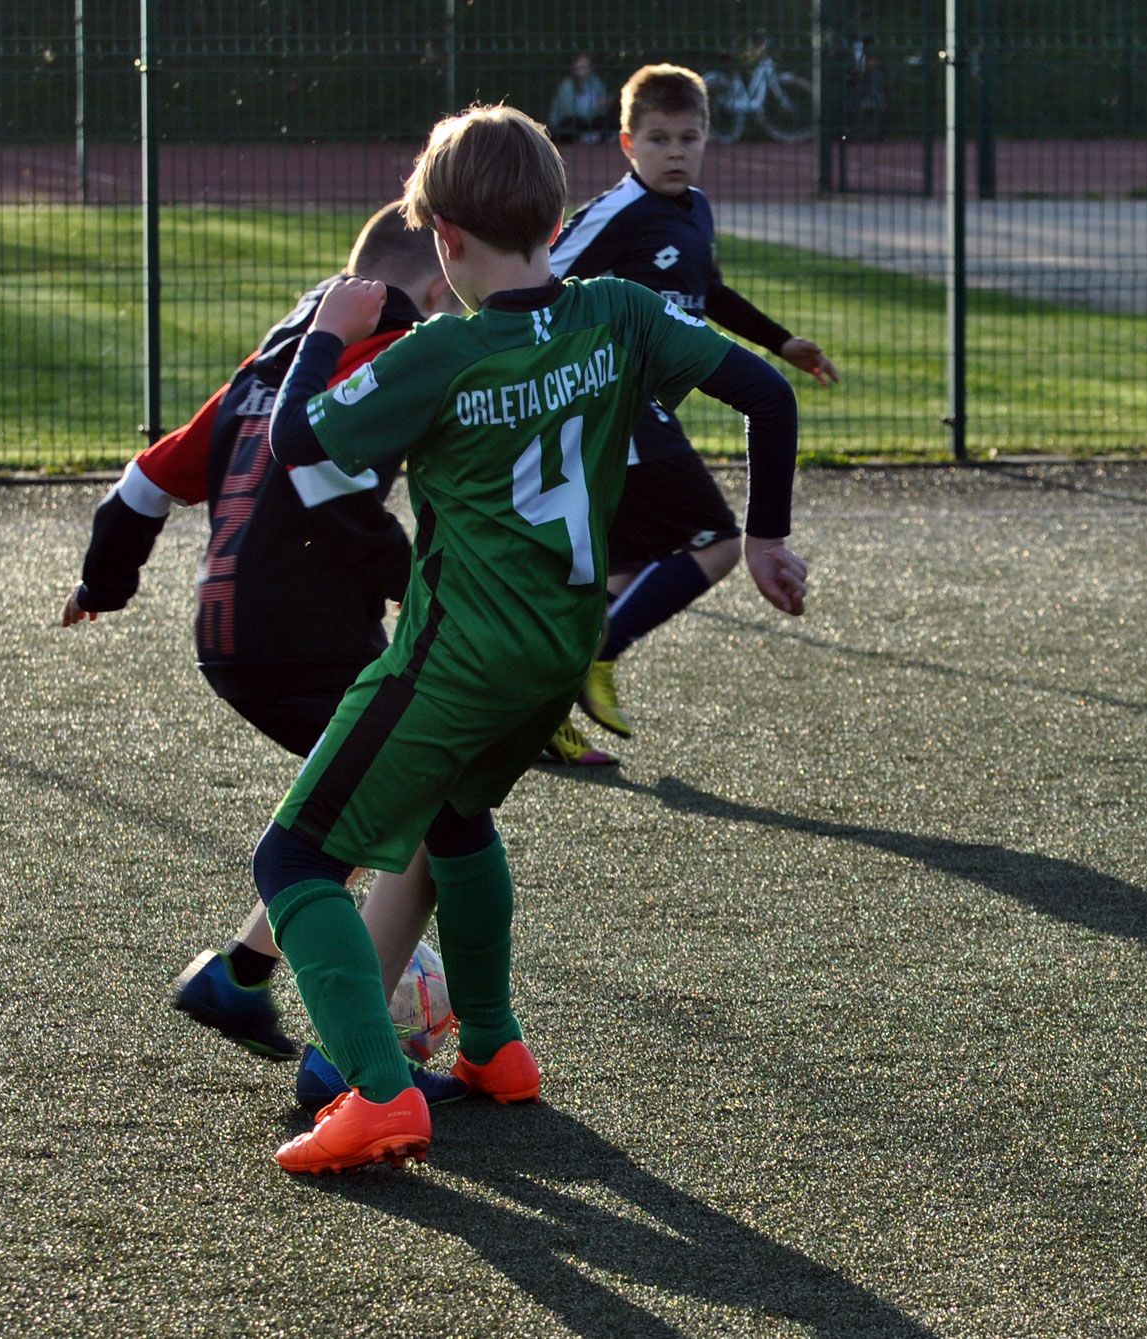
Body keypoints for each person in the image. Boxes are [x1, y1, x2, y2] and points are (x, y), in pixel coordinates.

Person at [256, 102, 808, 1174]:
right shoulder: (614, 311)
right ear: (555, 217)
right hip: (561, 647)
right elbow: (766, 392)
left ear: (444, 241)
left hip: (461, 653)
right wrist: (767, 537)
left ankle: (379, 1094)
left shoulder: (445, 352)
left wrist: (327, 327)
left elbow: (299, 447)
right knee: (458, 825)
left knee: (292, 856)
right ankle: (497, 1047)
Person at [60, 202, 488, 1108]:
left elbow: (141, 484)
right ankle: (352, 1056)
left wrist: (104, 583)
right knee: (425, 816)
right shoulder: (388, 350)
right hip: (303, 634)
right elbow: (325, 485)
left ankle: (238, 974)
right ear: (425, 288)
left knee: (343, 806)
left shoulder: (263, 371)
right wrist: (425, 585)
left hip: (227, 634)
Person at [550, 63, 838, 748]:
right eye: (657, 139)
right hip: (611, 406)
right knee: (715, 541)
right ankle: (593, 660)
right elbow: (544, 278)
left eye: (688, 137)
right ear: (627, 144)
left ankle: (542, 714)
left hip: (646, 416)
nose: (674, 151)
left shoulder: (696, 208)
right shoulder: (616, 213)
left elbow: (708, 291)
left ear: (708, 139)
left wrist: (780, 341)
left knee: (619, 570)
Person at [548, 52, 613, 144]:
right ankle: (585, 137)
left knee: (603, 122)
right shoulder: (567, 86)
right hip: (570, 121)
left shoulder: (595, 81)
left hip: (589, 121)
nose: (583, 70)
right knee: (572, 125)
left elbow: (602, 100)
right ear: (574, 68)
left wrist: (604, 103)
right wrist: (595, 107)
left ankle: (591, 137)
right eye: (581, 67)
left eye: (586, 67)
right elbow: (569, 112)